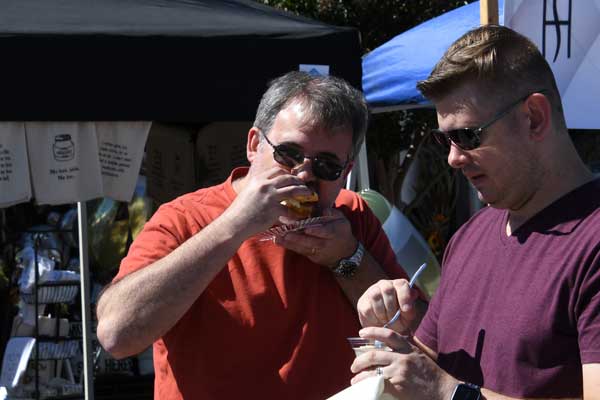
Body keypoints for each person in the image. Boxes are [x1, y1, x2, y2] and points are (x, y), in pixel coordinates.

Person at [96, 71, 422, 399]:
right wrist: (234, 225)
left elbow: (418, 335)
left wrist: (348, 259)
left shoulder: (352, 218)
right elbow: (116, 335)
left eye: (326, 166)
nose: (304, 173)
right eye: (289, 154)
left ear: (345, 173)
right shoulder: (184, 218)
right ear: (254, 145)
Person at [350, 25, 600, 400]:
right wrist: (395, 347)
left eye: (467, 136)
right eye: (444, 139)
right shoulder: (472, 234)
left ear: (534, 117)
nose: (452, 157)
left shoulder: (592, 240)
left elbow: (444, 388)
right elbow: (434, 370)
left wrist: (450, 393)